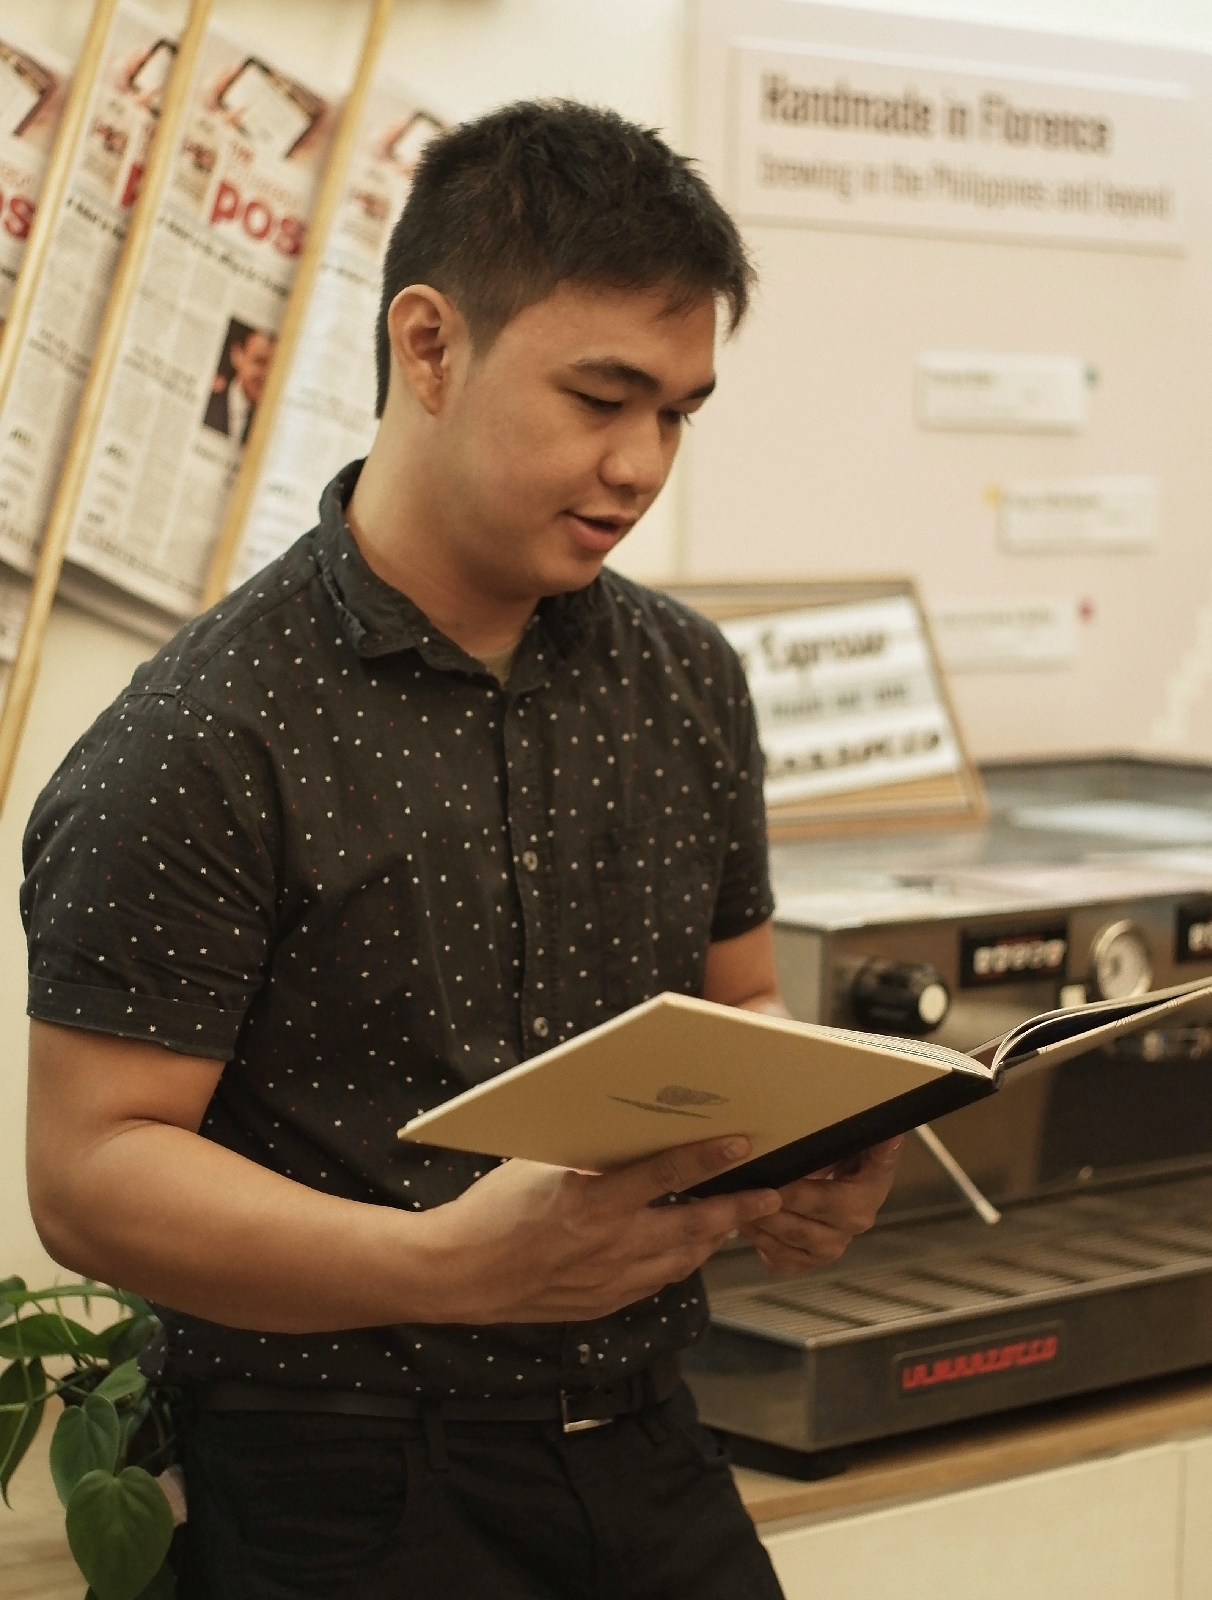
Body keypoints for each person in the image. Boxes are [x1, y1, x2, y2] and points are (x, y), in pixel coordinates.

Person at [22, 101, 902, 1598]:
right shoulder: (208, 730)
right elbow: (90, 1174)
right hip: (341, 1475)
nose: (640, 463)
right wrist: (449, 1263)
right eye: (601, 397)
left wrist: (809, 1153)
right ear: (428, 346)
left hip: (648, 1440)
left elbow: (739, 1004)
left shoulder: (687, 679)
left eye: (678, 414)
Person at [203, 322, 274, 443]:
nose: (265, 375)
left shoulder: (272, 417)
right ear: (237, 355)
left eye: (273, 367)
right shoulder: (208, 399)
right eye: (259, 362)